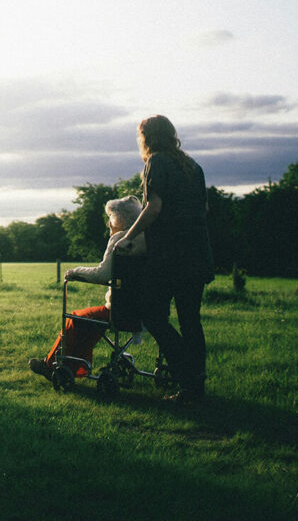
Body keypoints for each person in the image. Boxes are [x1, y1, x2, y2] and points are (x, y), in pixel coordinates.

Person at [116, 115, 214, 402]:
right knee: (190, 321)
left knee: (151, 313)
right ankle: (195, 386)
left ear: (146, 137)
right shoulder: (193, 166)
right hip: (198, 254)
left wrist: (128, 236)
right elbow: (204, 208)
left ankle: (187, 373)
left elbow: (153, 208)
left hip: (171, 257)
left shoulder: (156, 163)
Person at [29, 195, 146, 381]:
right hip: (144, 311)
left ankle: (51, 364)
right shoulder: (145, 239)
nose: (109, 224)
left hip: (120, 311)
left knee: (76, 318)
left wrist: (75, 272)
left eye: (111, 218)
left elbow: (102, 274)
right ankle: (77, 368)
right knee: (89, 321)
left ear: (120, 219)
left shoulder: (120, 240)